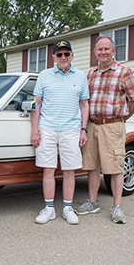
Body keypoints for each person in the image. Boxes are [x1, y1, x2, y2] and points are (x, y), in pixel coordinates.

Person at [76, 36, 134, 224]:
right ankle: (92, 202)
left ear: (113, 51)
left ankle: (117, 207)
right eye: (100, 49)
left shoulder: (124, 72)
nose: (103, 52)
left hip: (113, 126)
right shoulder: (90, 74)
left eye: (107, 49)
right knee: (92, 166)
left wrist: (122, 118)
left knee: (115, 167)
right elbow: (84, 101)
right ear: (95, 52)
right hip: (92, 125)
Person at [31, 40, 89, 225]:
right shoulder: (44, 75)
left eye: (66, 53)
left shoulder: (80, 76)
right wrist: (35, 131)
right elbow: (36, 104)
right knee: (48, 170)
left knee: (69, 171)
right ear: (53, 57)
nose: (63, 57)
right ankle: (49, 209)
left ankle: (67, 208)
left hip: (71, 130)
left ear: (72, 55)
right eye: (59, 54)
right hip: (47, 129)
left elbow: (84, 104)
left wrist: (83, 129)